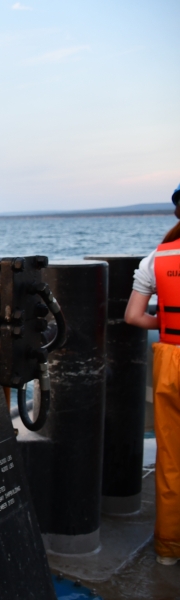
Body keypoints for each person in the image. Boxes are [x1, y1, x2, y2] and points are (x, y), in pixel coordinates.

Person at [124, 182, 180, 567]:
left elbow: (133, 316)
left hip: (170, 359)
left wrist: (165, 319)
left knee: (171, 458)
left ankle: (168, 549)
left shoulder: (156, 258)